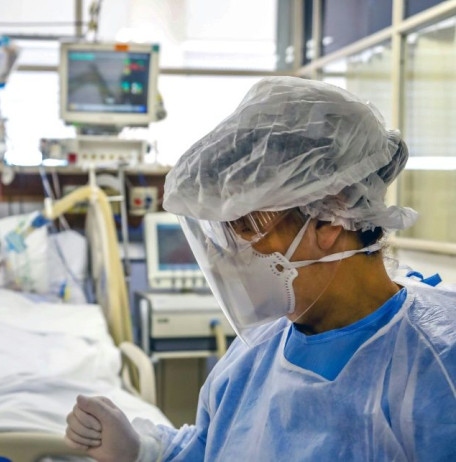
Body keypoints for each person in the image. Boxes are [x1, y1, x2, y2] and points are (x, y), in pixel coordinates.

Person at [64, 77, 456, 461]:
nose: (226, 257)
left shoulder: (436, 367)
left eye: (248, 229)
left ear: (330, 219)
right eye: (223, 235)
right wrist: (145, 451)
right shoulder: (256, 354)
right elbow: (210, 448)